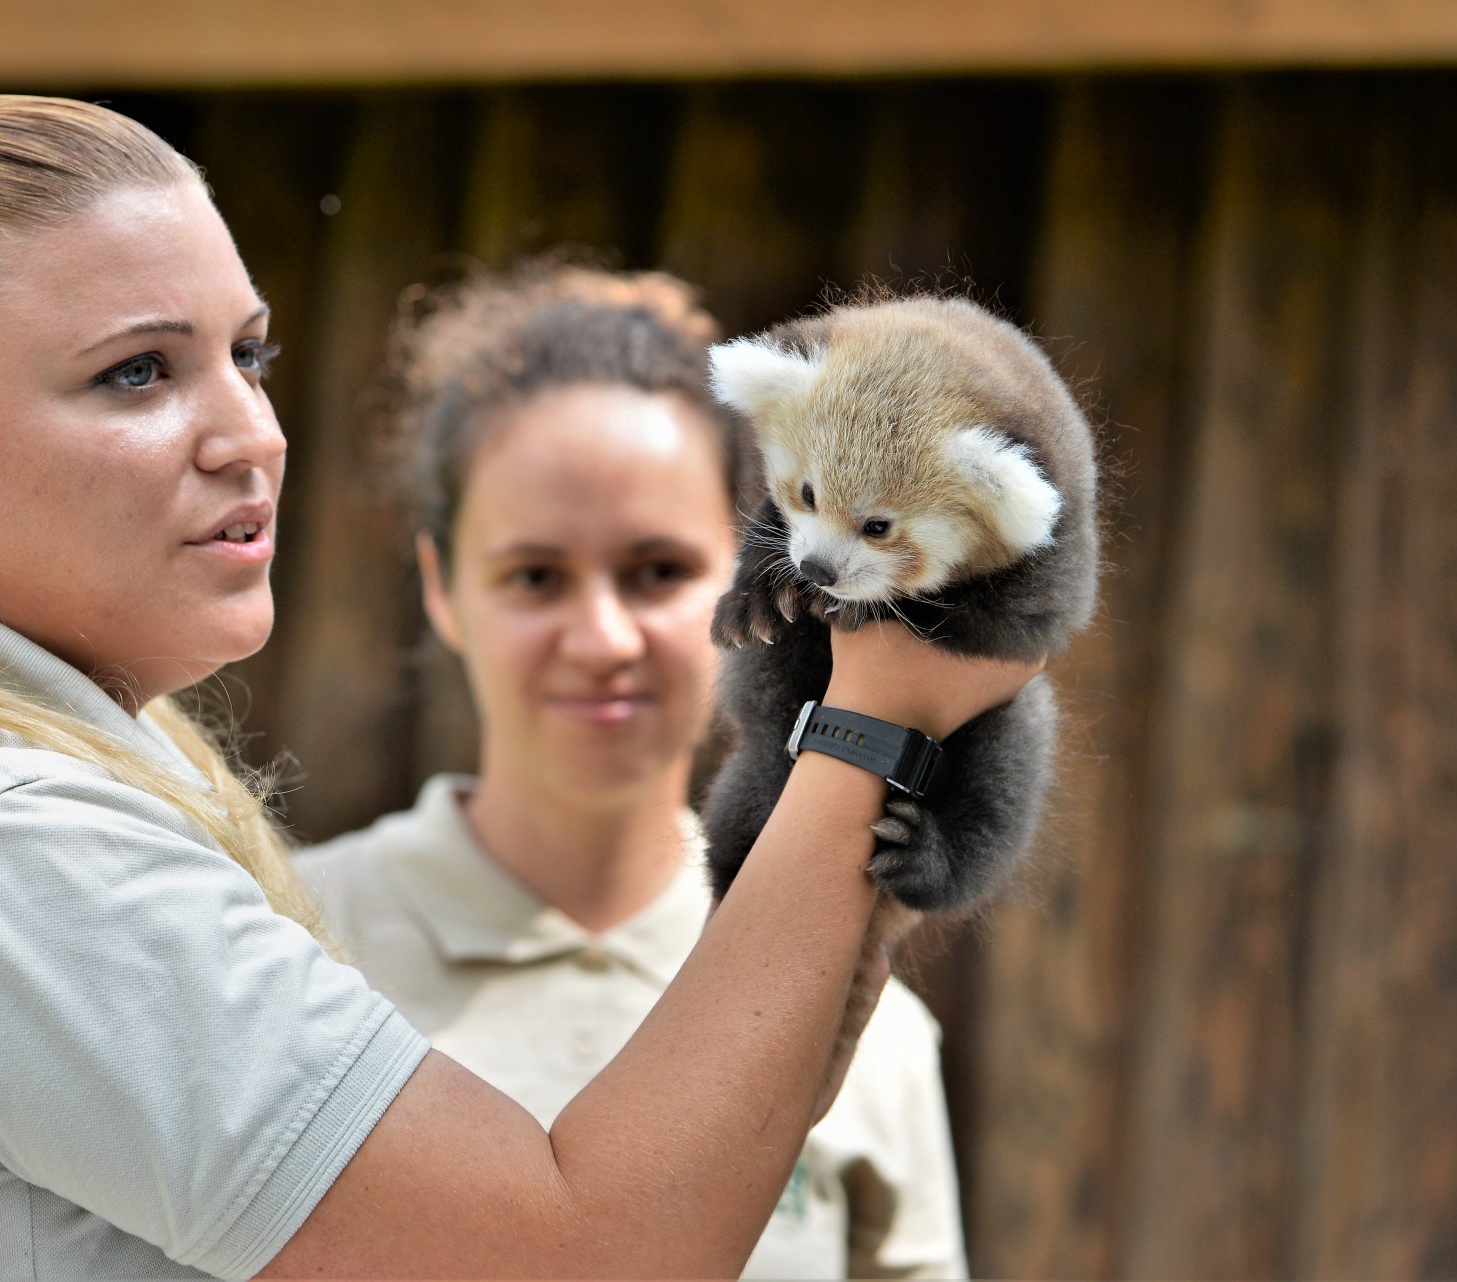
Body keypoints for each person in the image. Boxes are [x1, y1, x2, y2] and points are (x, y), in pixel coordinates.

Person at [0, 96, 1037, 1279]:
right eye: (139, 374)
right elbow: (589, 1255)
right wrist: (873, 724)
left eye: (246, 354)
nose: (248, 434)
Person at [297, 265, 970, 1279]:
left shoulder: (853, 1010)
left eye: (658, 571)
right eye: (534, 575)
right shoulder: (279, 942)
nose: (602, 636)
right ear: (442, 587)